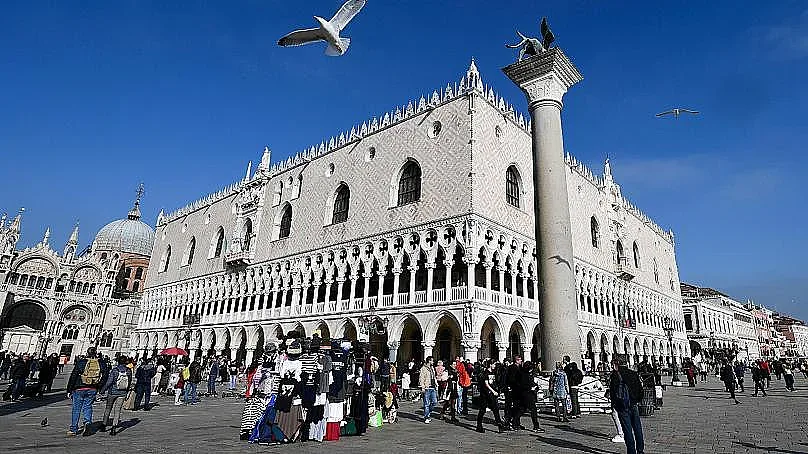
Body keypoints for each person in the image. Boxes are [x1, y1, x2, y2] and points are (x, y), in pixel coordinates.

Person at [66, 347, 107, 436]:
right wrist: (99, 386)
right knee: (88, 406)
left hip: (79, 388)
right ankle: (87, 423)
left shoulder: (81, 362)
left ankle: (73, 429)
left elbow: (74, 376)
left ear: (87, 353)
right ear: (96, 353)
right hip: (93, 388)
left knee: (76, 409)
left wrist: (69, 389)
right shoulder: (101, 363)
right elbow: (105, 376)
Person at [609, 357, 645, 454]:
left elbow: (613, 392)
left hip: (622, 406)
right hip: (633, 404)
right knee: (637, 427)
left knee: (627, 430)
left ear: (617, 364)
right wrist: (636, 400)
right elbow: (641, 390)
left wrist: (614, 404)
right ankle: (640, 450)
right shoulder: (633, 373)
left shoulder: (615, 375)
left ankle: (631, 451)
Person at [100, 355, 132, 436]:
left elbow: (109, 382)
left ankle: (104, 425)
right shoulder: (129, 370)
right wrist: (126, 391)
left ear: (118, 361)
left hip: (112, 392)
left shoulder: (115, 370)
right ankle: (114, 428)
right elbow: (129, 383)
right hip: (122, 393)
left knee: (108, 408)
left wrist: (103, 390)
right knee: (117, 410)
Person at [514, 360, 544, 432]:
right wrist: (532, 388)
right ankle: (536, 426)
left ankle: (514, 422)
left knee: (522, 409)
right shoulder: (525, 375)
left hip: (523, 394)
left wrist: (535, 386)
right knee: (533, 410)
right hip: (527, 394)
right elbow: (524, 385)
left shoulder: (522, 373)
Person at [475, 360, 504, 433]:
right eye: (494, 364)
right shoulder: (485, 373)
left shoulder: (494, 372)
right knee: (482, 410)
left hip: (492, 394)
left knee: (495, 409)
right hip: (486, 394)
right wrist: (493, 391)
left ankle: (499, 425)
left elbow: (494, 382)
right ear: (490, 365)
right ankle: (479, 425)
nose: (495, 366)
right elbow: (486, 384)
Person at [419, 357, 438, 423]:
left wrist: (436, 384)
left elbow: (434, 377)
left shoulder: (432, 368)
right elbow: (421, 378)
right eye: (432, 361)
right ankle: (426, 417)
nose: (433, 362)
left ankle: (428, 412)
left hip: (433, 387)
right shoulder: (423, 369)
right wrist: (422, 387)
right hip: (427, 388)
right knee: (426, 403)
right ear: (429, 361)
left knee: (434, 402)